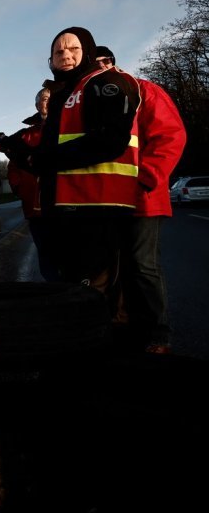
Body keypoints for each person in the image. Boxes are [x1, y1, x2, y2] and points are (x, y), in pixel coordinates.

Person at [0, 27, 141, 317]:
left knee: (95, 295)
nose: (65, 55)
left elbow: (110, 139)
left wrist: (46, 159)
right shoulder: (65, 94)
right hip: (64, 208)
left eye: (73, 48)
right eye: (58, 51)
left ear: (87, 51)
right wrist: (23, 154)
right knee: (72, 289)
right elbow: (43, 156)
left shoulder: (104, 82)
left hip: (98, 205)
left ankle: (109, 353)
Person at [96, 46, 187, 353]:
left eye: (101, 64)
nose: (97, 71)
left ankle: (158, 332)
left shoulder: (143, 91)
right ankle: (121, 325)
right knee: (111, 264)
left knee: (143, 264)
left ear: (112, 63)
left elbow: (170, 135)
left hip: (142, 196)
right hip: (105, 200)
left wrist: (146, 176)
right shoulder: (89, 100)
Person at [0, 88, 58, 281]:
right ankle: (51, 292)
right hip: (34, 206)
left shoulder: (66, 126)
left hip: (63, 204)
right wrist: (19, 187)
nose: (46, 103)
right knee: (45, 252)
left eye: (50, 99)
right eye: (43, 99)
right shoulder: (26, 135)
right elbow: (13, 164)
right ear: (36, 105)